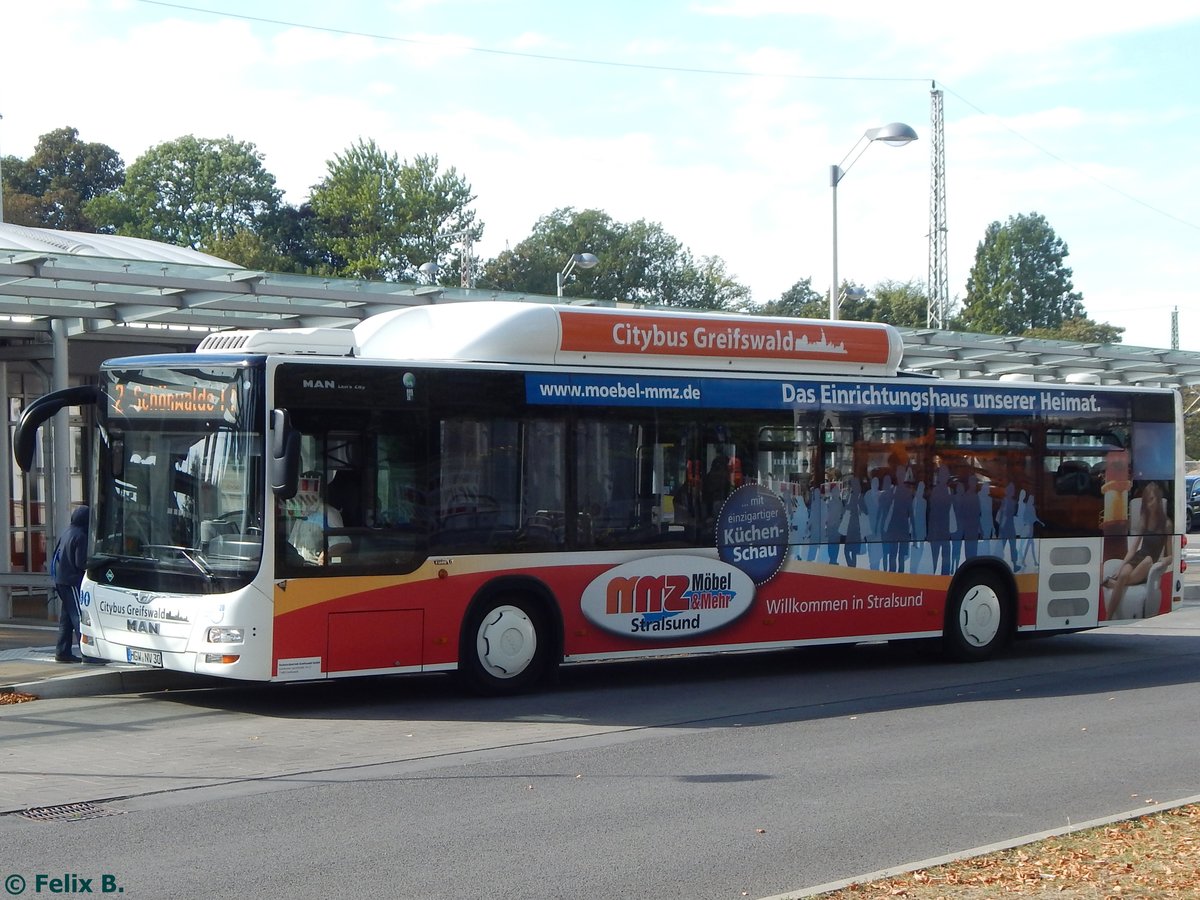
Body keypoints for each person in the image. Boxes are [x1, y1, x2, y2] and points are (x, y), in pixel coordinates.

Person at [1104, 481, 1170, 618]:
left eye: (1151, 499)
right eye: (1146, 501)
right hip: (1138, 557)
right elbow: (1133, 548)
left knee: (1147, 560)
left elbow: (1172, 554)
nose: (1149, 504)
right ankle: (1108, 617)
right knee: (1123, 574)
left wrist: (1165, 561)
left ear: (1158, 499)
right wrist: (1121, 566)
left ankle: (1113, 584)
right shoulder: (1144, 520)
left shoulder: (1167, 524)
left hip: (1149, 563)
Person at [290, 472, 355, 565]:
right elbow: (292, 544)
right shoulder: (301, 512)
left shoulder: (328, 513)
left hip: (315, 569)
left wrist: (325, 556)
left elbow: (343, 543)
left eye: (304, 486)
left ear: (316, 489)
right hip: (298, 566)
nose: (299, 490)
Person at [52, 505, 89, 663]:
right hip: (73, 581)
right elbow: (80, 563)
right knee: (79, 617)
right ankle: (88, 653)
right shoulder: (81, 535)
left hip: (61, 580)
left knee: (66, 619)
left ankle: (62, 651)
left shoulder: (67, 531)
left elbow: (56, 554)